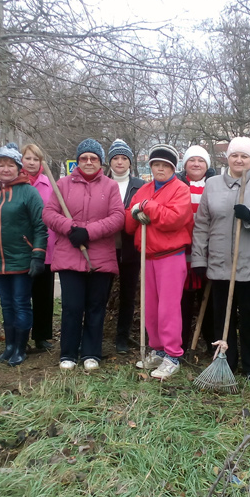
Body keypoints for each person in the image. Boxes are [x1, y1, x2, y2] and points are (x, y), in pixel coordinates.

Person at [191, 136, 250, 382]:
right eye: (234, 155)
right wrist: (199, 258)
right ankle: (226, 361)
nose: (239, 160)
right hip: (219, 263)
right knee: (222, 317)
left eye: (244, 156)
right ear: (227, 158)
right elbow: (202, 224)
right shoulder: (212, 184)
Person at [42, 138, 125, 371]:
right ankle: (68, 353)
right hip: (69, 255)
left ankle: (91, 352)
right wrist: (70, 228)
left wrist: (88, 232)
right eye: (84, 158)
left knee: (96, 306)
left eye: (93, 158)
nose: (89, 162)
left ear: (100, 162)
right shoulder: (63, 184)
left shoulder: (110, 186)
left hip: (100, 256)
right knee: (72, 306)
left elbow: (118, 217)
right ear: (77, 161)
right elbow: (49, 213)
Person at [0, 144, 48, 366]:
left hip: (22, 260)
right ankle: (9, 346)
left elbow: (40, 226)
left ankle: (20, 348)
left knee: (21, 303)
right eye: (1, 165)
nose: (5, 169)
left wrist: (37, 255)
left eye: (10, 165)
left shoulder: (29, 192)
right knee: (7, 305)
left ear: (18, 168)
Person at [126, 144, 194, 379]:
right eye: (156, 164)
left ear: (173, 168)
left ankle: (173, 355)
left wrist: (148, 207)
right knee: (151, 306)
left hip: (170, 256)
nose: (160, 169)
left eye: (165, 165)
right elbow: (129, 225)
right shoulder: (143, 189)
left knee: (168, 308)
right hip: (147, 255)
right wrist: (134, 214)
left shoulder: (180, 190)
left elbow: (174, 219)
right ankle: (157, 349)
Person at [177, 145, 216, 353]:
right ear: (185, 164)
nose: (196, 164)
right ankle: (180, 344)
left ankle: (211, 344)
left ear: (207, 165)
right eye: (192, 160)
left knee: (208, 301)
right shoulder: (176, 184)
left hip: (209, 252)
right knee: (182, 302)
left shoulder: (215, 185)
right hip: (182, 252)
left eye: (201, 161)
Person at [107, 139, 144, 354]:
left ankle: (123, 336)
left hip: (131, 248)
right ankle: (96, 334)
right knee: (101, 293)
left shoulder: (139, 185)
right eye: (115, 158)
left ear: (130, 162)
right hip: (106, 247)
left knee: (128, 295)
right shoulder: (102, 183)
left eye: (124, 158)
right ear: (110, 161)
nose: (119, 162)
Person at [20, 142, 56, 352]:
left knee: (43, 295)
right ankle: (21, 336)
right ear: (21, 160)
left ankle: (42, 336)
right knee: (22, 295)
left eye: (36, 159)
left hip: (46, 247)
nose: (32, 163)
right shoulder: (16, 183)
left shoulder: (49, 184)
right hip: (20, 248)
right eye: (28, 158)